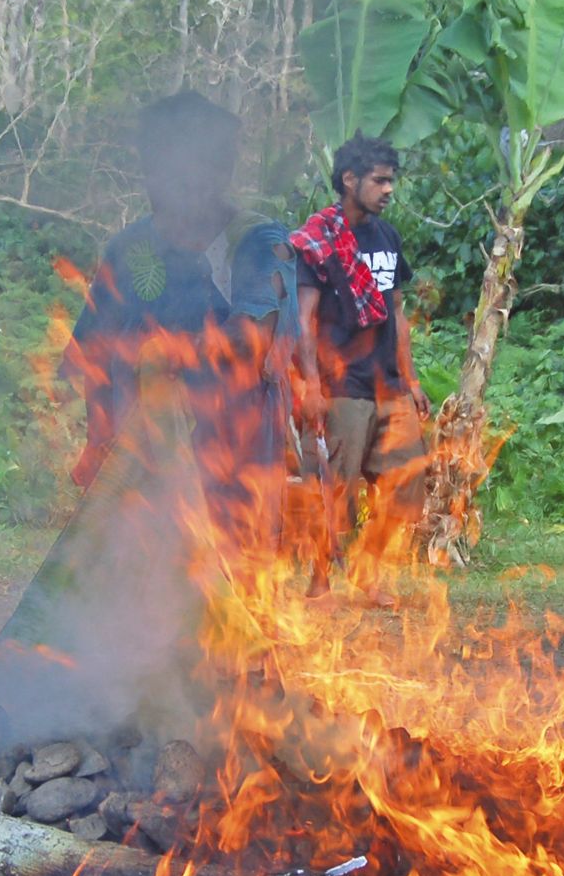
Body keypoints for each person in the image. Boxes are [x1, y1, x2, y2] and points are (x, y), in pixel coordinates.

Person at [64, 91, 296, 544]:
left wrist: (165, 354)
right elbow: (94, 355)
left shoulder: (257, 242)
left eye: (176, 170)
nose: (159, 185)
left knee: (232, 605)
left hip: (233, 478)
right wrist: (98, 442)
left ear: (218, 172)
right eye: (153, 169)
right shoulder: (129, 249)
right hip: (141, 480)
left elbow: (251, 341)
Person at [290, 134, 430, 596]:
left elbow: (396, 312)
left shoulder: (387, 236)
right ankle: (319, 578)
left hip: (388, 383)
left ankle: (367, 568)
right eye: (379, 180)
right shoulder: (319, 241)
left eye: (392, 180)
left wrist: (410, 379)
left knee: (409, 482)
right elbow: (304, 320)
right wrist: (310, 384)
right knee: (336, 488)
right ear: (349, 180)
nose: (389, 189)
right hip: (341, 385)